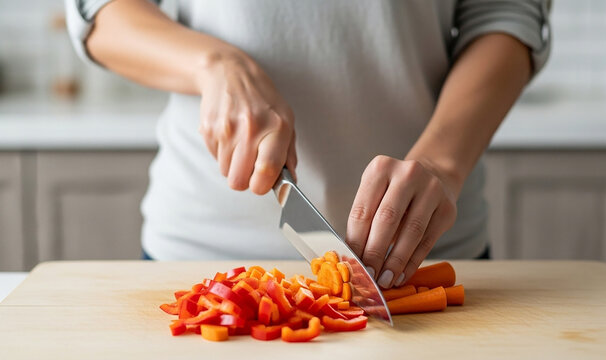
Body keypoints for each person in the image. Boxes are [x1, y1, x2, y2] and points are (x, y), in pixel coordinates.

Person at [66, 0, 550, 289]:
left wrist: (441, 162)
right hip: (203, 260)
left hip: (427, 260)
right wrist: (213, 64)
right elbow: (101, 12)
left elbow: (507, 13)